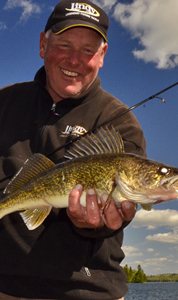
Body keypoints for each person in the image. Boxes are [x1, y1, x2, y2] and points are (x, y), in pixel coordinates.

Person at [0, 0, 146, 299]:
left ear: (102, 55)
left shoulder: (121, 124)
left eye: (88, 50)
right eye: (65, 45)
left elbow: (119, 211)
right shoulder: (4, 103)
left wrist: (95, 223)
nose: (75, 60)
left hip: (86, 290)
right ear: (43, 44)